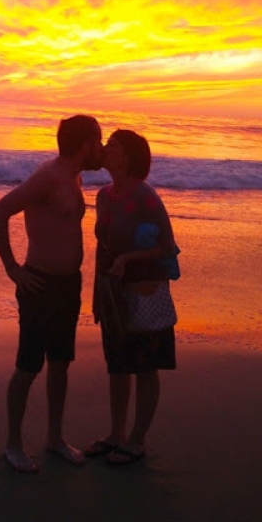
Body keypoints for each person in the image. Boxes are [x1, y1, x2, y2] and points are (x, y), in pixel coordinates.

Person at [0, 115, 104, 473]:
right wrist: (13, 269)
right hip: (39, 285)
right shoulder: (48, 177)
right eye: (98, 141)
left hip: (69, 285)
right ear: (85, 144)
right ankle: (13, 445)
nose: (101, 148)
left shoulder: (75, 176)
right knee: (27, 366)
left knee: (60, 364)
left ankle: (54, 438)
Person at [85, 129, 178, 466]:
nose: (106, 149)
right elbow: (103, 248)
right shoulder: (103, 195)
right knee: (118, 365)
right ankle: (116, 435)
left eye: (113, 145)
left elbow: (167, 246)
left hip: (144, 290)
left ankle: (137, 441)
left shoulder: (145, 196)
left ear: (127, 156)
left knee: (145, 365)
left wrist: (130, 259)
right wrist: (97, 294)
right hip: (113, 291)